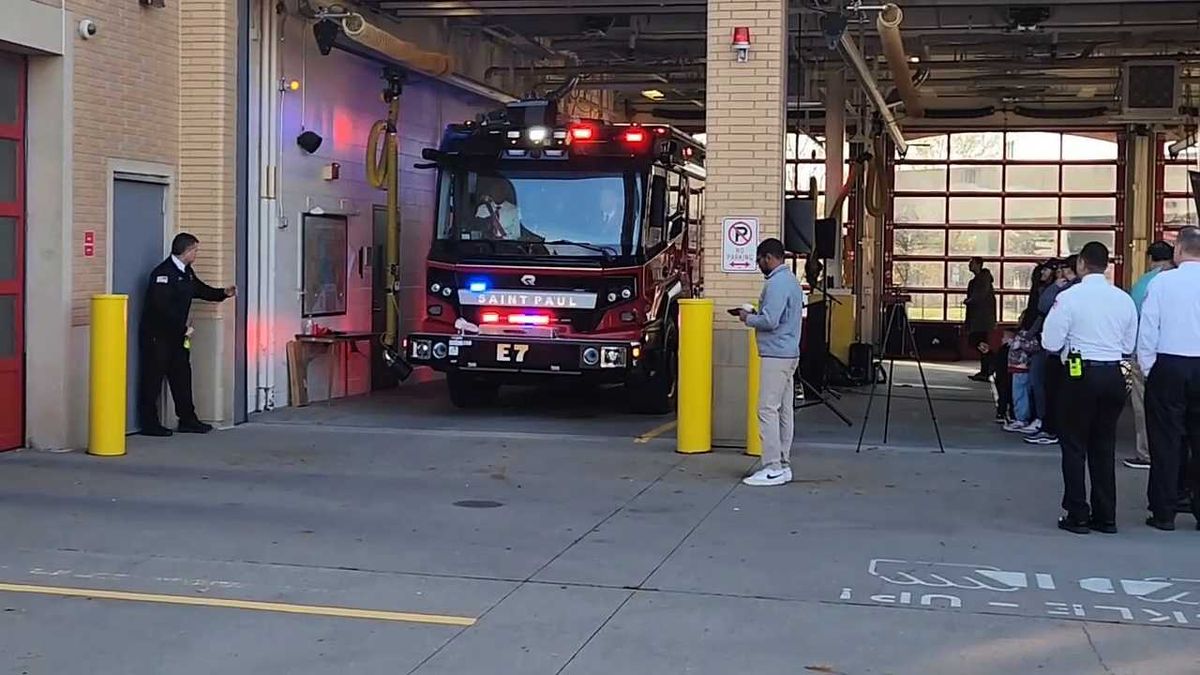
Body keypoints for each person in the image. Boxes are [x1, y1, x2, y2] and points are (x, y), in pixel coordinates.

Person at [1042, 242, 1138, 534]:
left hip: (1079, 373)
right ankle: (1106, 516)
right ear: (1107, 265)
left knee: (1074, 445)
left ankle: (1077, 513)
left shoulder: (1069, 298)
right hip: (1112, 374)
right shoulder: (1123, 299)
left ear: (1082, 263)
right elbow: (1127, 345)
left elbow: (1050, 342)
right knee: (1103, 445)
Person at [139, 233, 236, 436]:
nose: (197, 254)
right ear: (187, 251)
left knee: (182, 377)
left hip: (178, 338)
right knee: (153, 380)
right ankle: (149, 423)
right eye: (195, 250)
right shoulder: (163, 274)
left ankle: (188, 419)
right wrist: (183, 329)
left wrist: (222, 294)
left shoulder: (186, 272)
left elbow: (199, 289)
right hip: (158, 337)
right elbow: (161, 309)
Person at [1137, 226, 1200, 531]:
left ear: (1178, 251)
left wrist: (1150, 369)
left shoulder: (1163, 283)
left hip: (1170, 363)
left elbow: (1148, 328)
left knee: (1165, 440)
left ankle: (1164, 511)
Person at [738, 238, 806, 487]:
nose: (759, 265)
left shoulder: (776, 284)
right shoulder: (792, 282)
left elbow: (770, 321)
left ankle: (772, 466)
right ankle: (783, 463)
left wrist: (748, 318)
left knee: (766, 409)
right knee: (784, 410)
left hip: (775, 355)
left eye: (759, 260)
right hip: (790, 353)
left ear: (769, 257)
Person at [1123, 241, 1176, 469]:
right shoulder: (1183, 280)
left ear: (1150, 258)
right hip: (1179, 354)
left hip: (1147, 353)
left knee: (1143, 405)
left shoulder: (1144, 283)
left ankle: (1145, 452)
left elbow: (1135, 319)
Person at [1026, 256, 1079, 446]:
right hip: (1073, 354)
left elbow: (1043, 305)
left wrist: (1055, 286)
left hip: (1061, 352)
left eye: (1062, 268)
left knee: (1056, 389)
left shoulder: (1067, 291)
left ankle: (1052, 429)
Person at [1003, 310, 1041, 434]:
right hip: (1018, 367)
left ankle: (1021, 418)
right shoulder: (1022, 334)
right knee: (1021, 394)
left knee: (1020, 394)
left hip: (1021, 367)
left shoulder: (1026, 335)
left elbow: (1035, 347)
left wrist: (1020, 344)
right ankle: (1022, 417)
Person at [964, 256, 997, 382]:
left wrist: (969, 301)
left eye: (971, 263)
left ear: (978, 264)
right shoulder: (977, 280)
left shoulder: (983, 279)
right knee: (979, 342)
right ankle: (986, 369)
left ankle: (990, 364)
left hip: (982, 318)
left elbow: (979, 296)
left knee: (977, 341)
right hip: (978, 317)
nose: (969, 265)